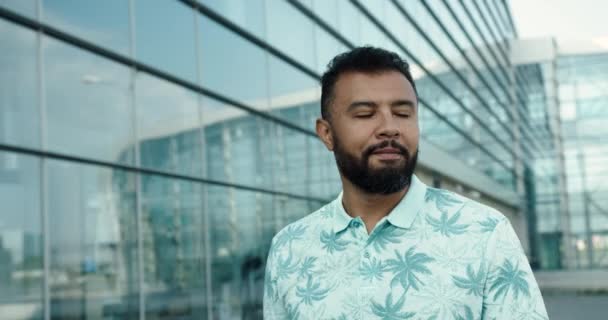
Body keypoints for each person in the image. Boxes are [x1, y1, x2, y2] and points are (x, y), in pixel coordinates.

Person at [263, 47, 548, 319]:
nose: (390, 127)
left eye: (403, 113)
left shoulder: (485, 234)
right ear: (326, 133)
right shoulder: (289, 249)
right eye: (365, 114)